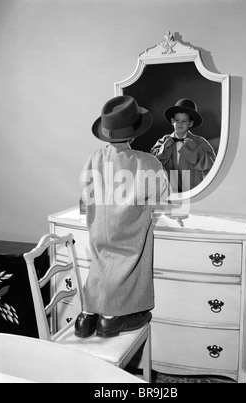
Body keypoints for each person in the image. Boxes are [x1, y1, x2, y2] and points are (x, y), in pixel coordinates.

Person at [75, 95, 170, 338]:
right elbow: (162, 197)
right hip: (128, 231)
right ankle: (111, 317)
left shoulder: (93, 158)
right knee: (126, 261)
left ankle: (87, 315)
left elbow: (85, 197)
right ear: (134, 133)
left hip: (99, 230)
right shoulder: (146, 162)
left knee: (100, 262)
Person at [151, 98, 216, 192]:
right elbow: (152, 161)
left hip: (193, 189)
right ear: (172, 121)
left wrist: (195, 148)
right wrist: (164, 148)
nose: (180, 124)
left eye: (184, 121)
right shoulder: (163, 141)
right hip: (170, 190)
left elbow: (211, 164)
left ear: (191, 123)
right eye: (177, 120)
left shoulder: (200, 142)